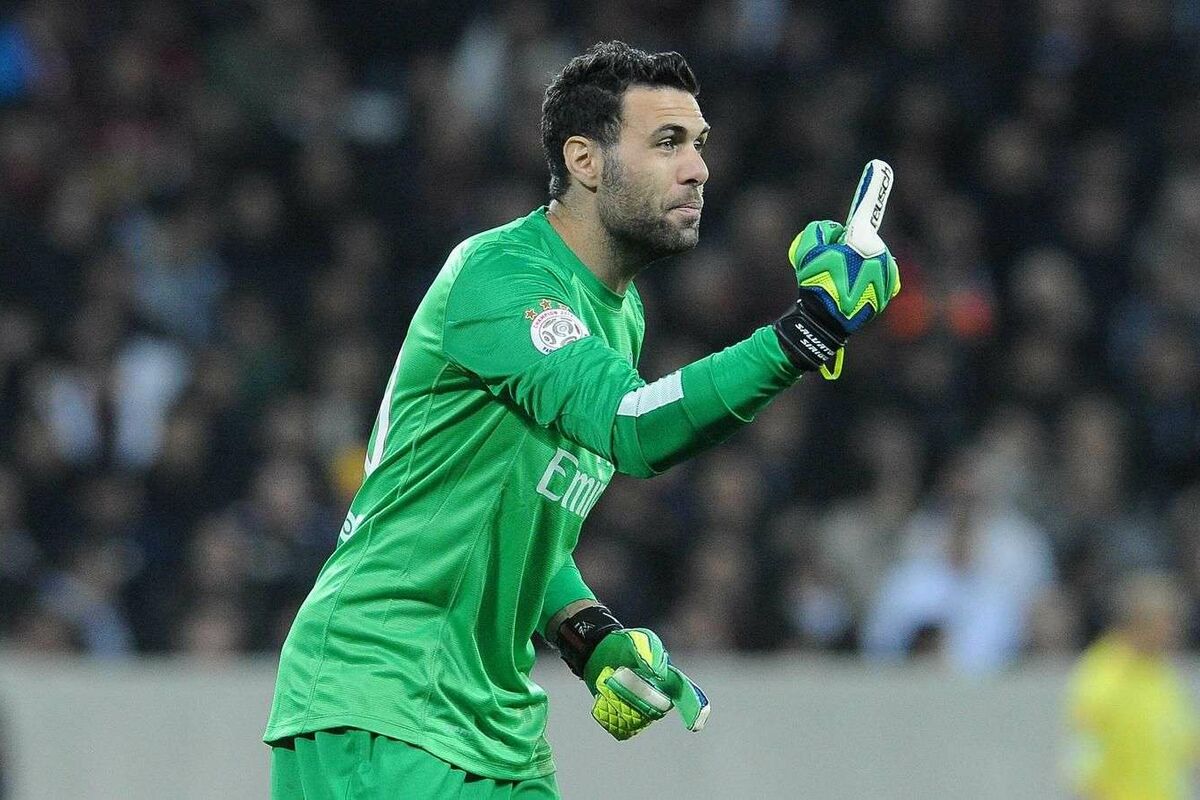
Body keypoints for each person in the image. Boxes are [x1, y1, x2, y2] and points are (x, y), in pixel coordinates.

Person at [265, 40, 899, 799]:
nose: (698, 168)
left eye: (699, 144)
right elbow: (635, 427)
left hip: (495, 724)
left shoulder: (621, 317)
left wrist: (592, 639)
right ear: (585, 160)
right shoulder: (501, 275)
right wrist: (802, 336)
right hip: (380, 697)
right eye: (668, 142)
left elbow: (529, 529)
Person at [1065, 572, 1200, 800]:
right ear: (1138, 622)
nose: (1175, 631)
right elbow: (1083, 765)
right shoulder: (1101, 680)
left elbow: (1187, 742)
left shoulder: (1161, 674)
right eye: (1168, 622)